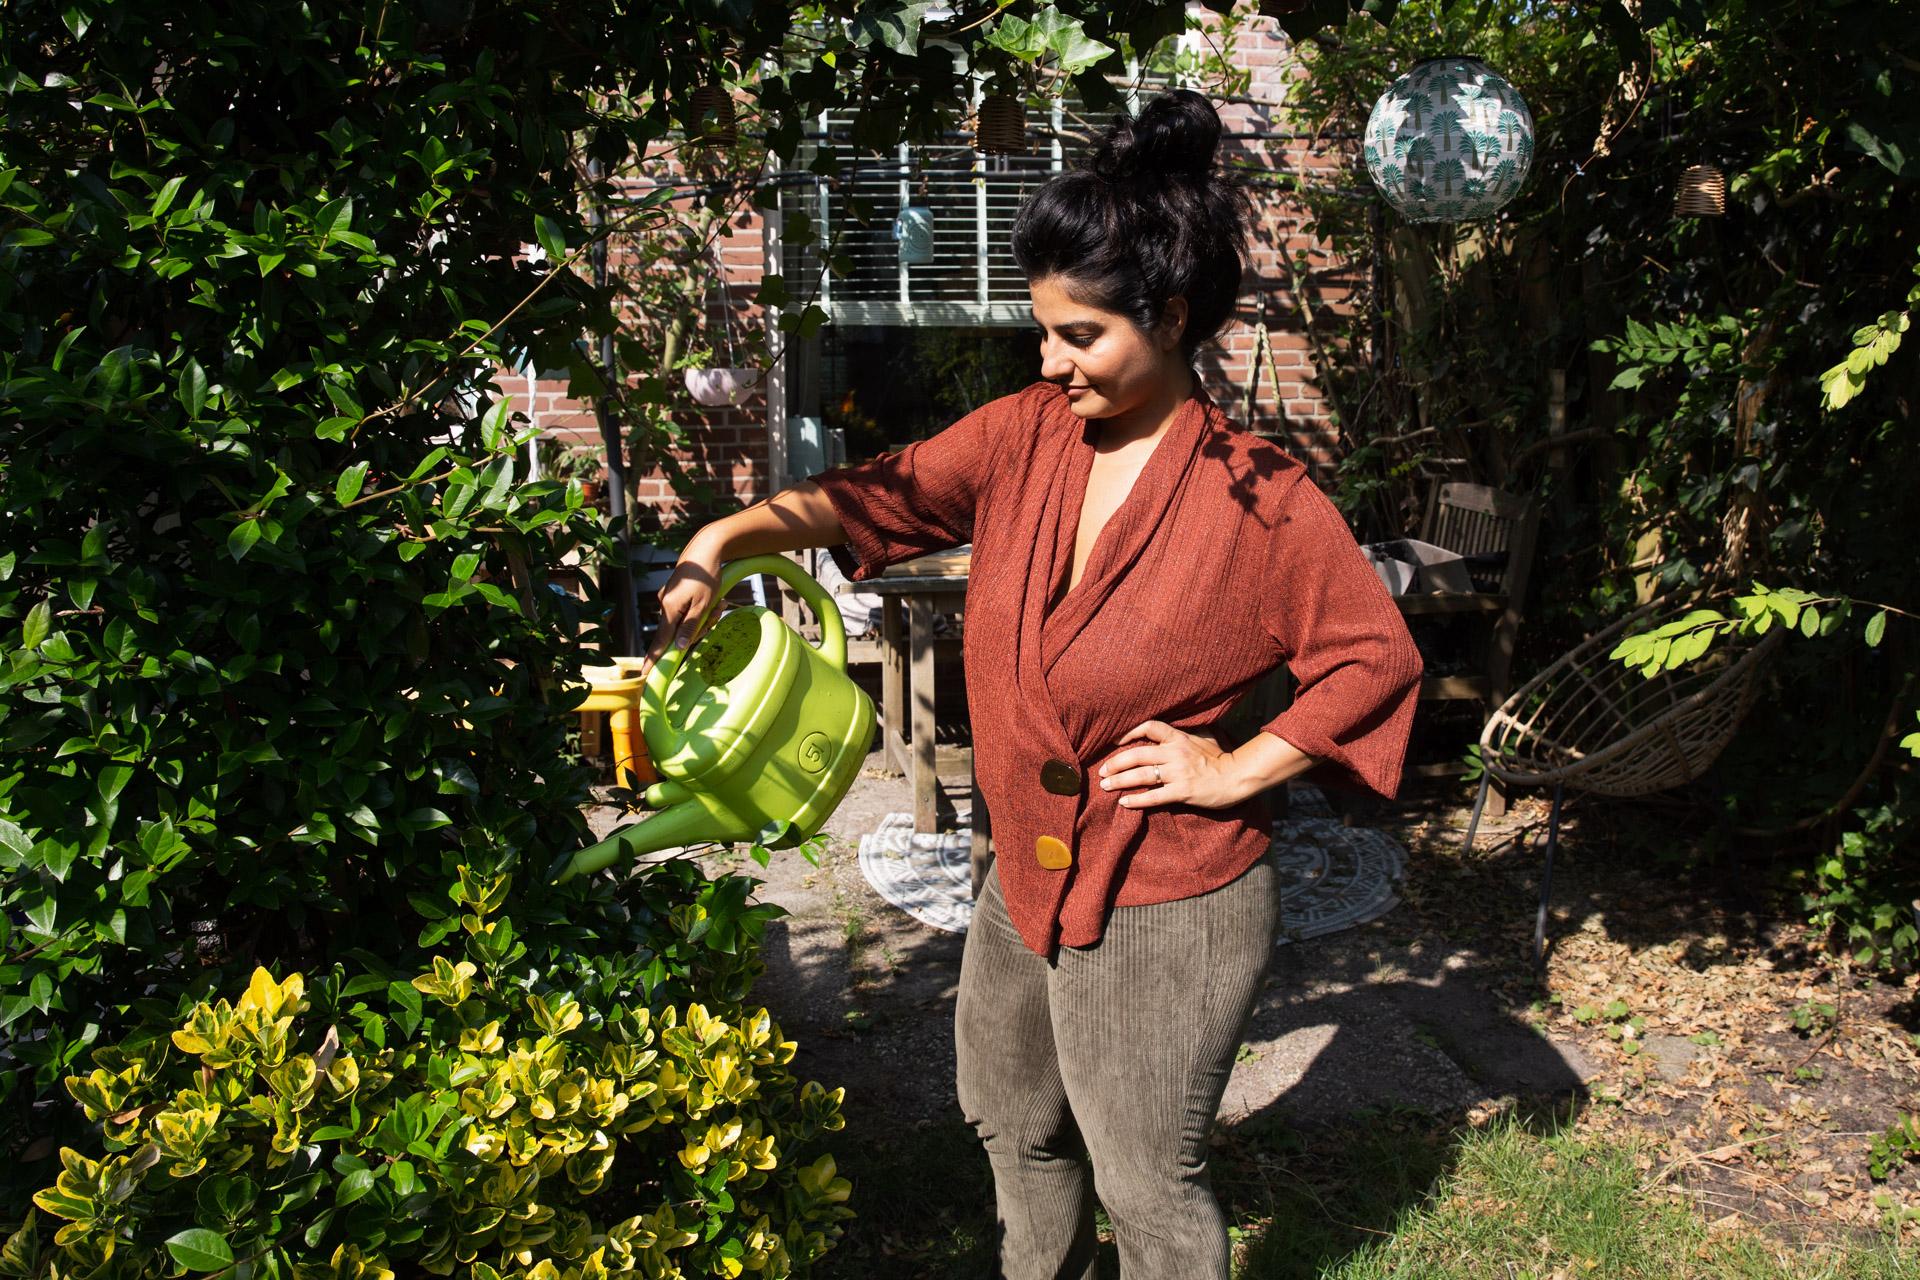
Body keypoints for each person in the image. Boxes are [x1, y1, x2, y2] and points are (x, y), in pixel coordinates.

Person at [649, 89, 1421, 1280]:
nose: (1047, 360)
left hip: (1168, 891)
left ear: (1166, 319)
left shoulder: (1259, 495)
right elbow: (877, 494)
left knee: (1145, 1176)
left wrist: (1238, 765)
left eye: (1079, 336)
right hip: (1024, 870)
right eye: (1041, 330)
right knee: (1014, 1122)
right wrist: (725, 534)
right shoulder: (1025, 435)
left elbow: (1374, 655)